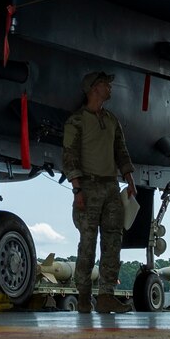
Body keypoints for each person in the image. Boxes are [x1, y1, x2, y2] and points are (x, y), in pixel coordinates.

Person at [61, 71, 133, 314]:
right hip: (88, 187)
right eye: (106, 84)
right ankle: (83, 296)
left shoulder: (112, 120)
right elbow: (69, 157)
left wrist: (130, 180)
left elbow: (121, 152)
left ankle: (106, 296)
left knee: (113, 242)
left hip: (111, 187)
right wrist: (77, 189)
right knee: (88, 243)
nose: (110, 87)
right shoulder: (76, 121)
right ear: (93, 89)